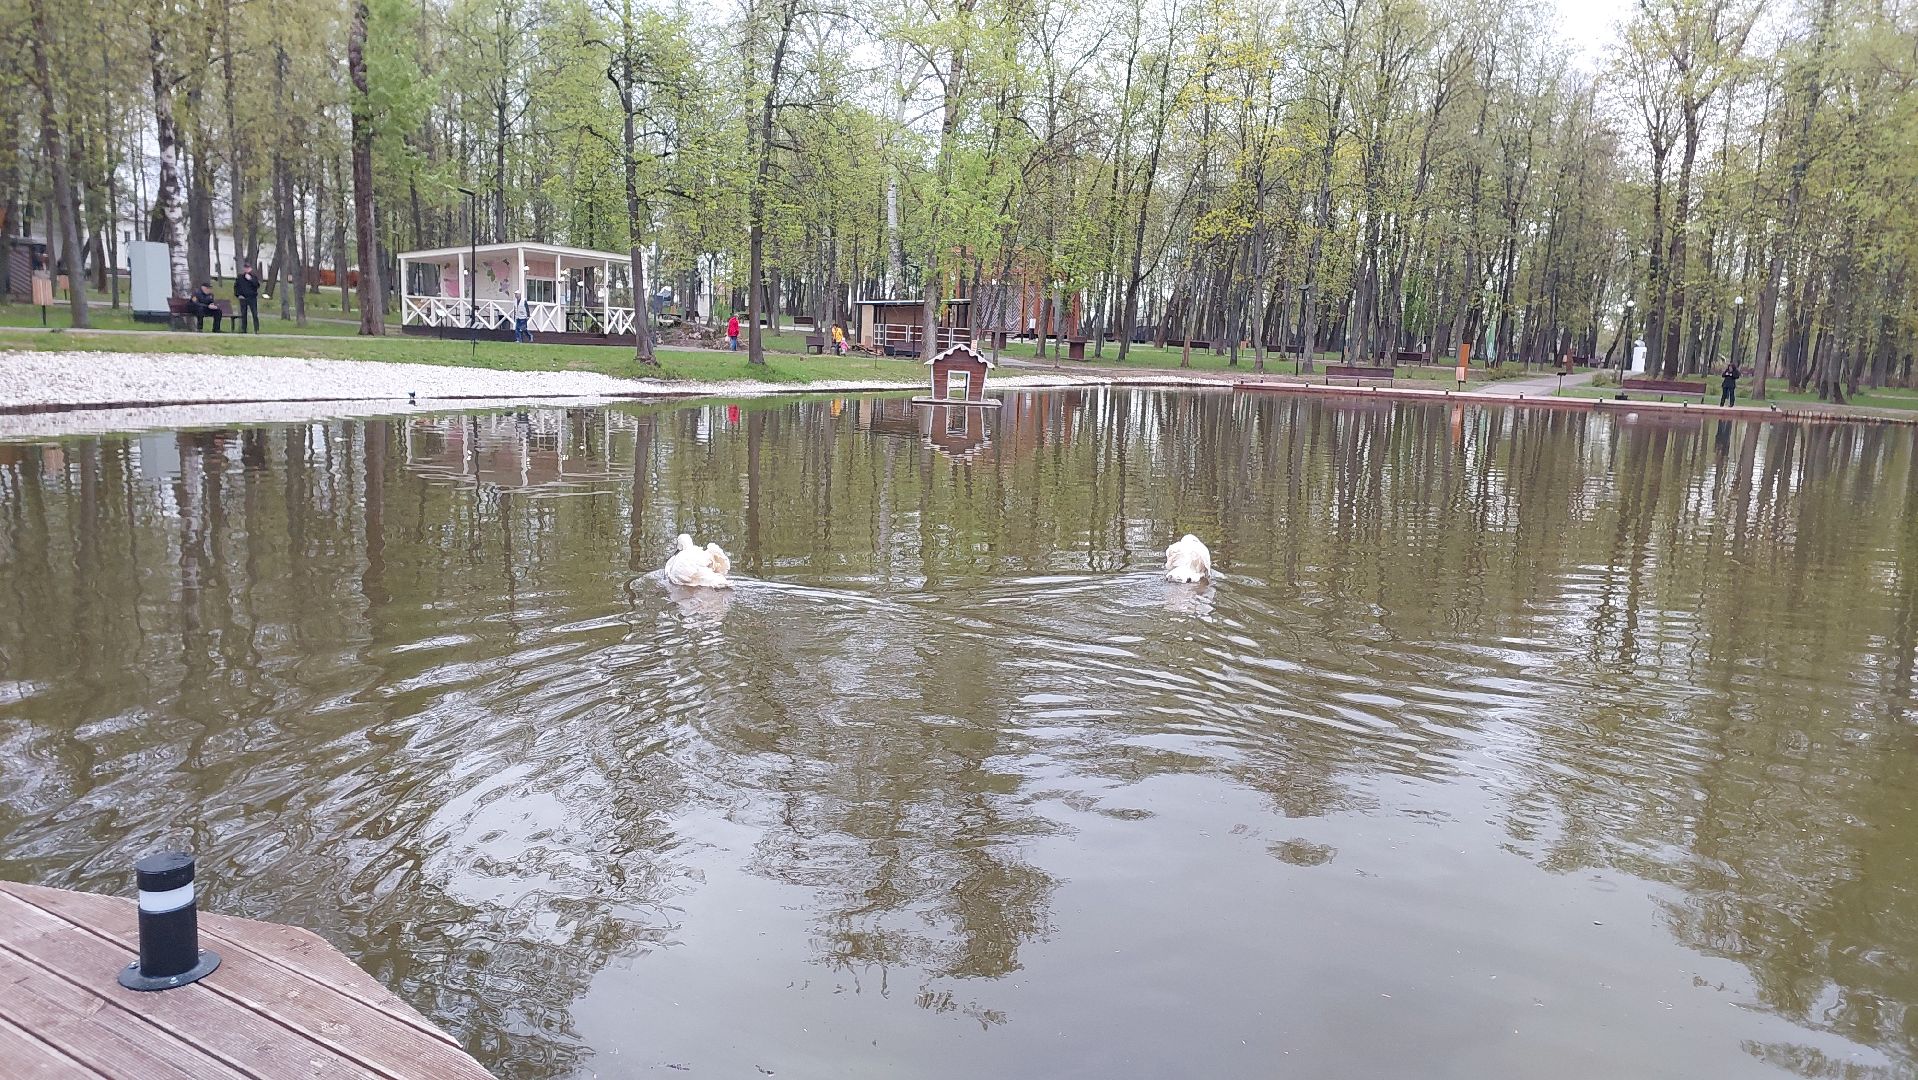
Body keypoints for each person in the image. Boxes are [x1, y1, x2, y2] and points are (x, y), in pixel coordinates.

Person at [233, 263, 261, 332]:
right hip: (243, 298)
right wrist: (238, 295)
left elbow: (256, 285)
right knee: (243, 314)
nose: (246, 269)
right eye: (245, 268)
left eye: (248, 268)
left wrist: (250, 279)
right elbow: (236, 287)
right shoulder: (240, 277)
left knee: (254, 313)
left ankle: (256, 329)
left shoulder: (254, 277)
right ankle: (244, 329)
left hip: (252, 298)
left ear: (250, 269)